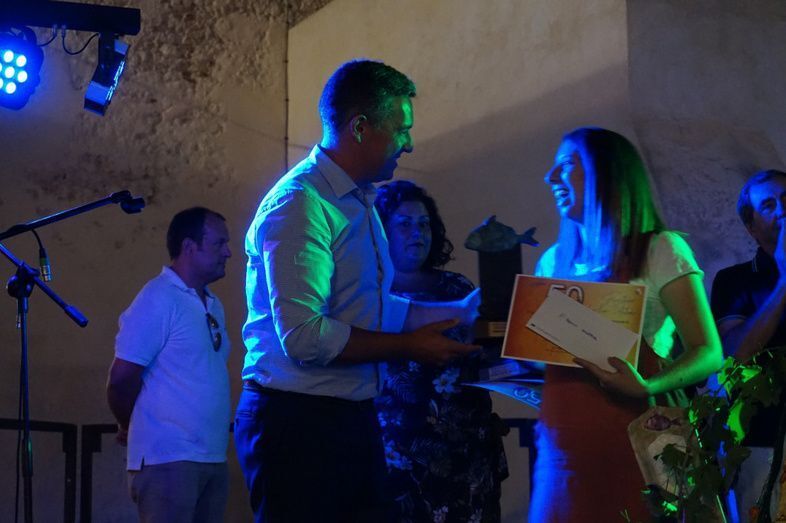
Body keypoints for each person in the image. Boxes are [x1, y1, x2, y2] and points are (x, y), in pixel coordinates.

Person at [235, 59, 480, 523]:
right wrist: (410, 346)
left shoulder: (358, 202)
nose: (409, 142)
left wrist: (459, 311)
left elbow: (370, 309)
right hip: (298, 423)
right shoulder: (301, 203)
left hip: (346, 415)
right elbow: (305, 336)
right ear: (361, 127)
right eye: (401, 128)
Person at [530, 127, 723, 522]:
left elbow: (709, 352)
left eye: (565, 165)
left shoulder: (660, 249)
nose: (550, 178)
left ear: (606, 173)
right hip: (564, 451)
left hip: (646, 439)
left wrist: (647, 385)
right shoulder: (551, 263)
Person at [374, 180, 508, 523]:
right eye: (404, 224)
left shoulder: (457, 287)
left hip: (467, 449)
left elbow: (487, 353)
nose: (417, 232)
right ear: (381, 231)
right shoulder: (368, 295)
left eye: (424, 224)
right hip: (399, 453)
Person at [106, 207, 233, 523]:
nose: (228, 253)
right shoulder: (159, 297)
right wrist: (129, 424)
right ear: (190, 247)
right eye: (219, 243)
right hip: (169, 459)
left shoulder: (213, 303)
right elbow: (121, 378)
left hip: (211, 456)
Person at [710, 169, 786, 522]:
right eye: (769, 204)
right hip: (762, 445)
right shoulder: (734, 281)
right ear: (752, 228)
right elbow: (736, 354)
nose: (783, 209)